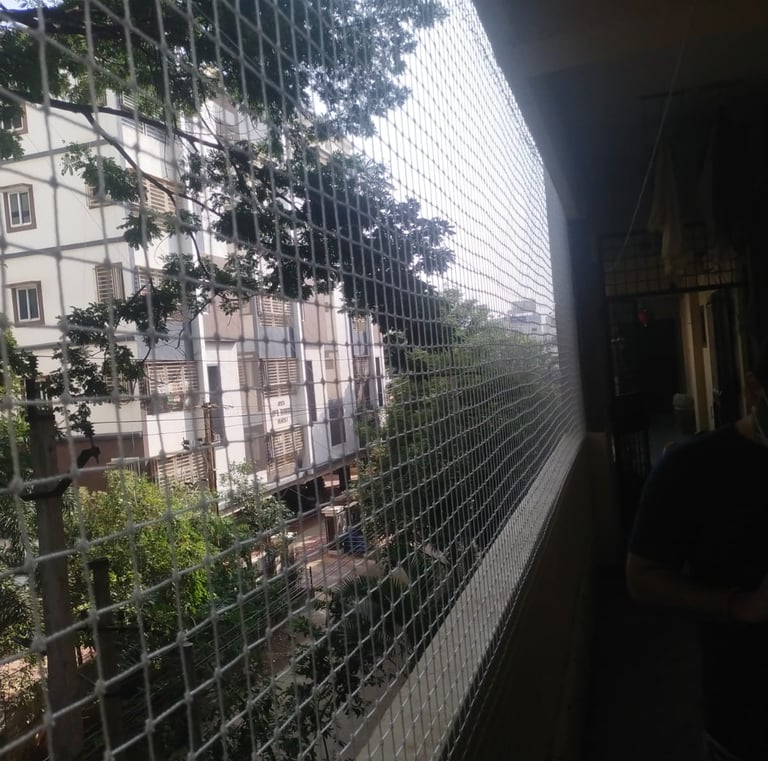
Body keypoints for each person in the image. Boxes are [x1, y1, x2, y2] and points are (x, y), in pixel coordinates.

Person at [626, 340, 768, 761]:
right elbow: (642, 577)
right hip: (747, 716)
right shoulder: (693, 468)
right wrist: (738, 605)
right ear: (754, 390)